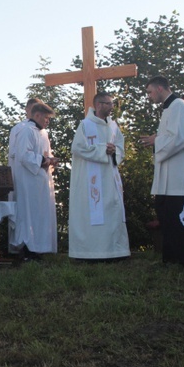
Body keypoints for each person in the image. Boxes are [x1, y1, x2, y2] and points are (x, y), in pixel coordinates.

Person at [140, 76, 184, 265]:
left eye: (150, 92)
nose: (149, 96)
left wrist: (156, 141)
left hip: (178, 175)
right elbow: (172, 134)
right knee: (165, 213)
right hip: (168, 174)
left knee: (176, 217)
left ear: (159, 88)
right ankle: (170, 257)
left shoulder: (179, 106)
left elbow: (181, 137)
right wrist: (157, 138)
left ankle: (182, 259)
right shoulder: (169, 108)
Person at [69, 92, 130, 260]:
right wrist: (104, 149)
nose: (112, 107)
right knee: (92, 210)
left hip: (110, 177)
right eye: (108, 103)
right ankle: (88, 252)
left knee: (111, 209)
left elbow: (120, 148)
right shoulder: (85, 125)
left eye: (112, 103)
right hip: (90, 180)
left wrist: (114, 151)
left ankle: (114, 251)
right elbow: (78, 148)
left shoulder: (113, 126)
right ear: (98, 105)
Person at [10, 101, 59, 258]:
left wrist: (51, 160)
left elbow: (46, 154)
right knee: (29, 214)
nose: (47, 121)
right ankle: (28, 249)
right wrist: (43, 161)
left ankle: (40, 248)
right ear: (37, 115)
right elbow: (24, 156)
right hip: (28, 181)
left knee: (40, 215)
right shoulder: (25, 131)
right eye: (46, 118)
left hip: (41, 180)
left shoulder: (43, 133)